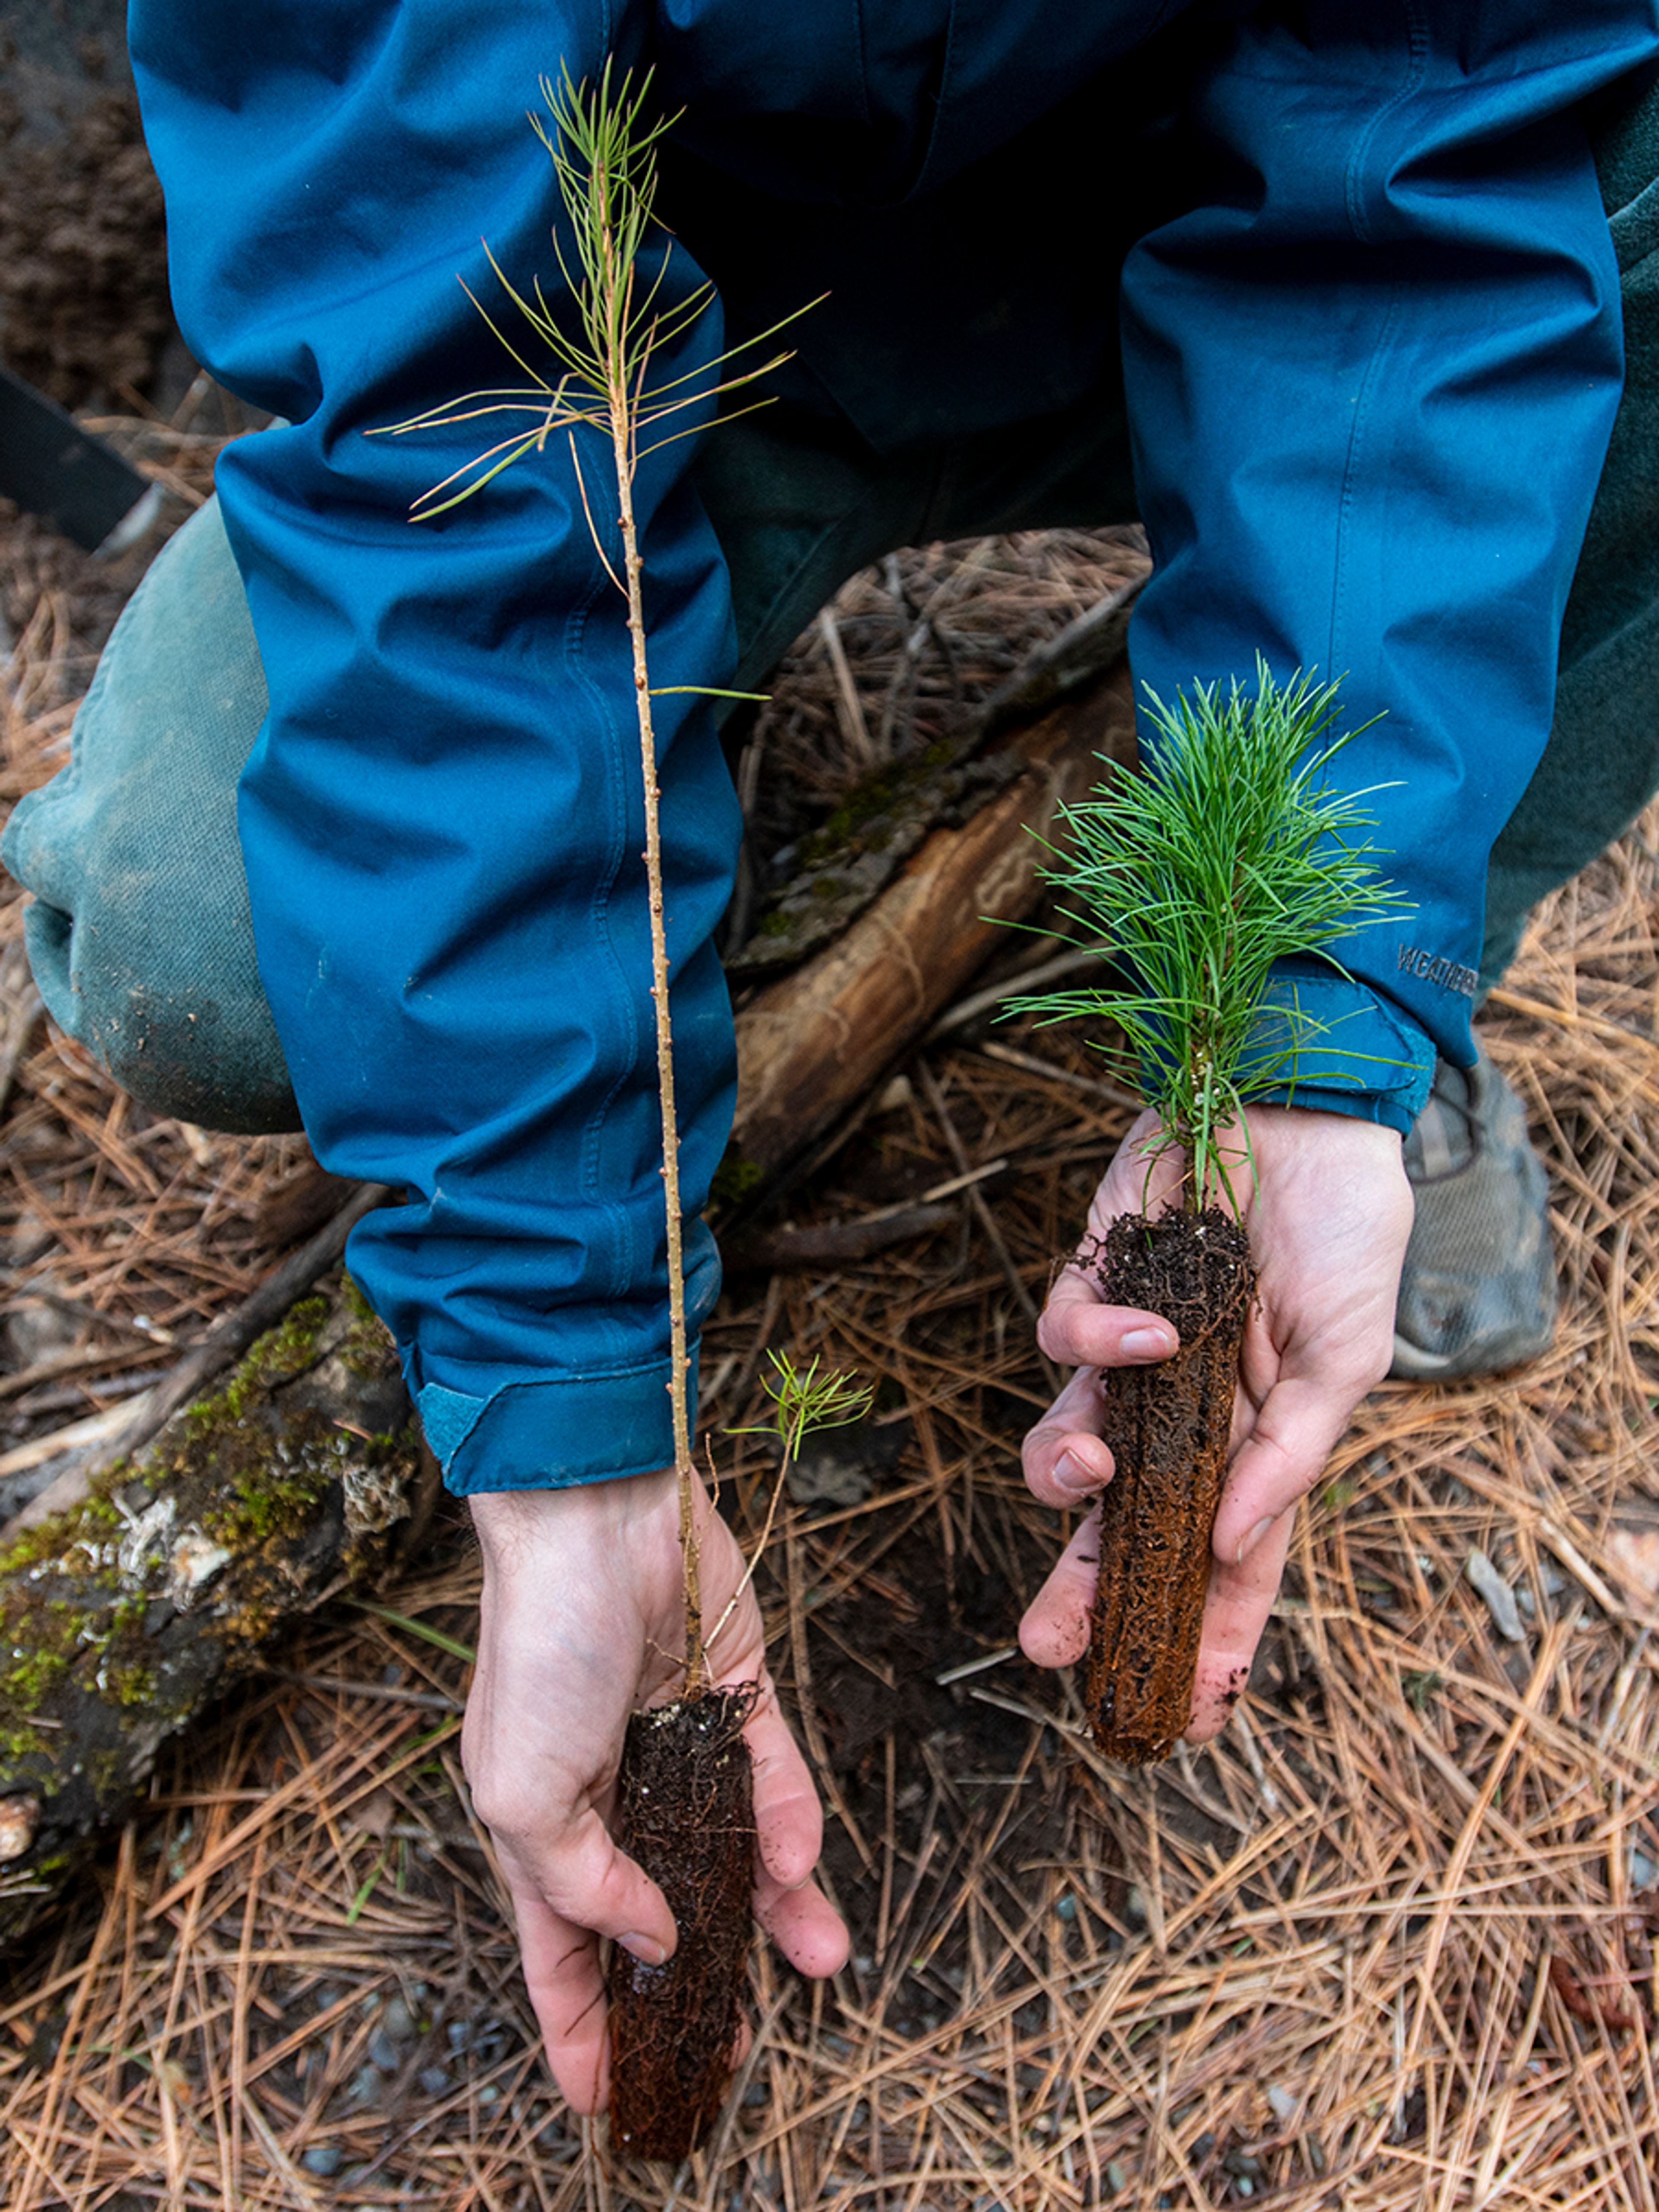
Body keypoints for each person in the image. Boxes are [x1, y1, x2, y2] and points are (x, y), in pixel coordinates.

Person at [6, 0, 1659, 2121]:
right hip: (653, 319)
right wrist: (574, 1379)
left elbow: (1423, 143)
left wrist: (1301, 1011)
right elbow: (433, 395)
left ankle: (1394, 1013)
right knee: (178, 915)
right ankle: (626, 860)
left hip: (1185, 208)